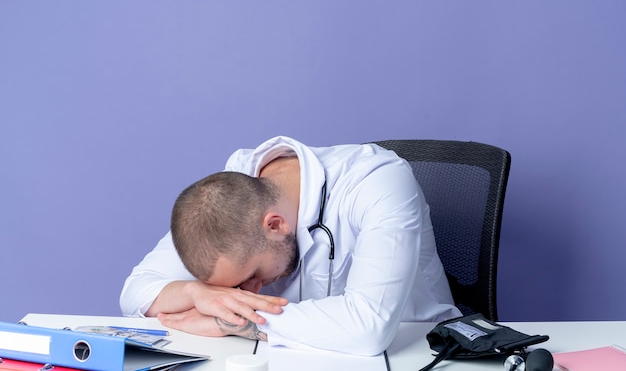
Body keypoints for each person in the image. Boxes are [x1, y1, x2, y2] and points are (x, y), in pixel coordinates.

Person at [119, 136, 460, 356]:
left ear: (275, 225)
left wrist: (234, 322)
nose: (247, 291)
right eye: (236, 288)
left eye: (252, 274)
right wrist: (200, 295)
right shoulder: (231, 190)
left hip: (418, 352)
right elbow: (135, 293)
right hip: (296, 353)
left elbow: (369, 327)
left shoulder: (378, 180)